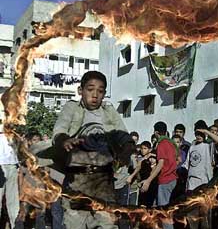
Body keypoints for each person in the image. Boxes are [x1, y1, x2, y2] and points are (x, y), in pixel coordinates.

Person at [52, 71, 134, 229]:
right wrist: (64, 140)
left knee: (108, 224)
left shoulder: (109, 111)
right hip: (77, 181)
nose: (95, 95)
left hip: (104, 182)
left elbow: (125, 136)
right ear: (80, 90)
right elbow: (59, 130)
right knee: (75, 224)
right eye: (90, 89)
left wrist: (127, 150)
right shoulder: (72, 108)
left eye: (100, 91)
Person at [182, 121, 218, 229]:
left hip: (204, 184)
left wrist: (206, 131)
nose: (199, 136)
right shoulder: (192, 147)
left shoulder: (209, 146)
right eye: (197, 133)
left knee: (205, 217)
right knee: (192, 216)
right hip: (191, 186)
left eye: (201, 134)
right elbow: (187, 165)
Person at [141, 121, 177, 229]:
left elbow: (160, 163)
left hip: (165, 179)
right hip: (173, 178)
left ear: (156, 133)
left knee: (164, 212)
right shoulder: (172, 143)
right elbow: (178, 159)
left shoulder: (161, 144)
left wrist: (148, 180)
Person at [0, 120, 19, 229]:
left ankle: (15, 226)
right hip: (0, 166)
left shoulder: (11, 123)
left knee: (13, 202)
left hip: (12, 164)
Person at [127, 141, 157, 207]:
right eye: (142, 148)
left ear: (150, 149)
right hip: (142, 183)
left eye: (145, 148)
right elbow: (138, 167)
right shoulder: (142, 158)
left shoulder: (152, 158)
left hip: (150, 184)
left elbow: (153, 171)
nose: (143, 150)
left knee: (147, 205)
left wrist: (146, 181)